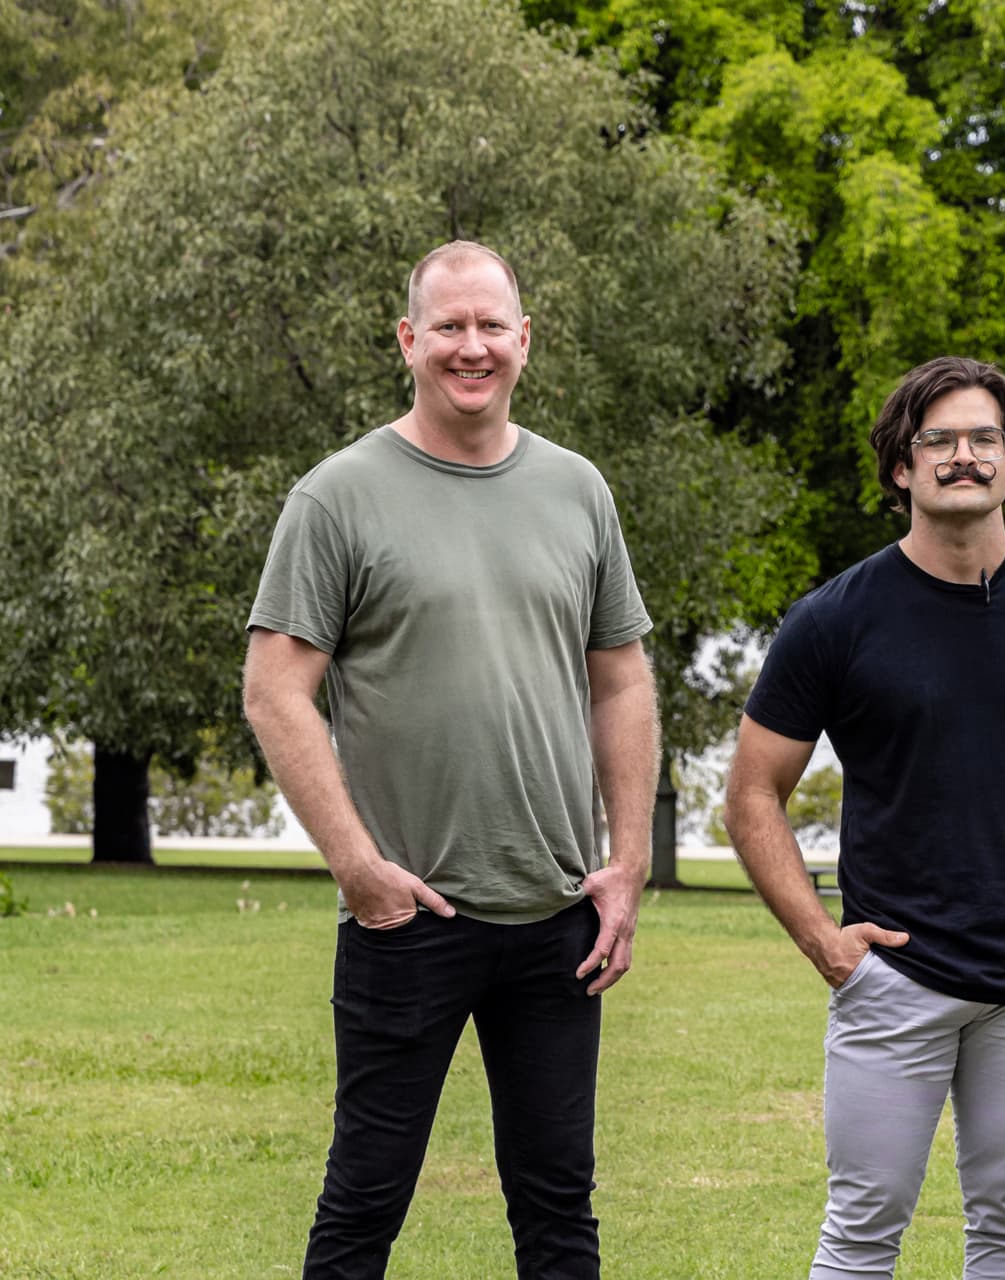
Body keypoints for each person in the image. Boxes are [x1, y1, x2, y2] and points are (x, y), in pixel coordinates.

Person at [243, 240, 658, 1278]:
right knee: (364, 1203)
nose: (470, 347)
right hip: (408, 914)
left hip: (558, 912)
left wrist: (629, 860)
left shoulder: (578, 490)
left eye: (490, 326)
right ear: (408, 341)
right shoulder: (336, 496)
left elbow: (623, 679)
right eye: (448, 327)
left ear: (525, 339)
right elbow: (275, 690)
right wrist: (356, 867)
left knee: (560, 1209)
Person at [724, 356, 1005, 1279]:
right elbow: (750, 791)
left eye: (985, 438)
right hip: (893, 977)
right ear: (902, 466)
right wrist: (823, 941)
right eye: (938, 440)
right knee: (861, 1233)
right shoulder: (834, 620)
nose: (964, 456)